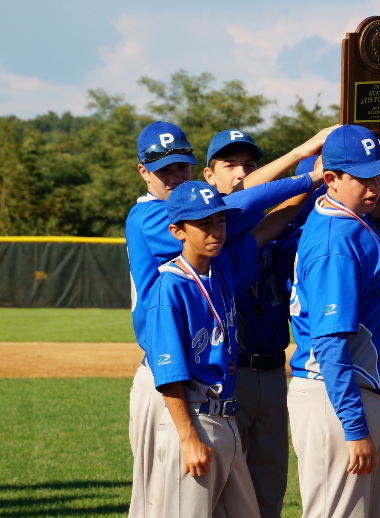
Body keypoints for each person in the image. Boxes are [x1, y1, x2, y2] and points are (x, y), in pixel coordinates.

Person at [126, 120, 331, 517]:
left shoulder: (217, 258)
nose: (174, 177)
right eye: (163, 170)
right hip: (169, 385)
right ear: (143, 171)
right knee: (158, 503)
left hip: (217, 392)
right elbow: (240, 202)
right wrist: (306, 171)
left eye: (180, 167)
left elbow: (259, 223)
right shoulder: (151, 219)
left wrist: (313, 184)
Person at [146, 181, 302, 517]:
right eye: (203, 224)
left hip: (226, 418)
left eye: (219, 220)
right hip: (193, 418)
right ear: (178, 231)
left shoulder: (222, 269)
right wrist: (188, 439)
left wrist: (316, 181)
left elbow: (270, 225)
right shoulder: (169, 288)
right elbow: (169, 375)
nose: (215, 231)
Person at [287, 125, 380, 518]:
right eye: (361, 176)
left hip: (344, 394)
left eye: (377, 173)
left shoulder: (352, 220)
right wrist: (354, 427)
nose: (373, 185)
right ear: (332, 179)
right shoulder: (337, 239)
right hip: (337, 397)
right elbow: (330, 342)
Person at [203, 129, 315, 517]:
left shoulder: (277, 238)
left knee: (269, 490)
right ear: (208, 176)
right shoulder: (211, 236)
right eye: (229, 165)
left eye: (250, 165)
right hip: (231, 374)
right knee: (223, 491)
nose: (240, 173)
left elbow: (288, 218)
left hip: (272, 373)